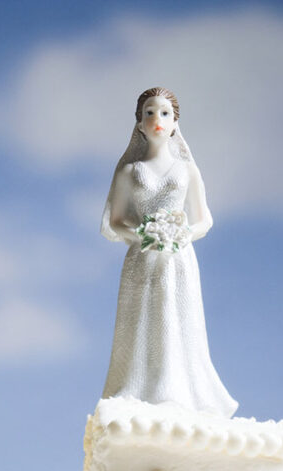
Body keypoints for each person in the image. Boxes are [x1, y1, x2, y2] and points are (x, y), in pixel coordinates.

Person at [100, 87, 237, 417]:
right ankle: (139, 392)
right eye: (149, 112)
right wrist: (144, 234)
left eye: (164, 113)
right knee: (143, 322)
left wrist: (181, 234)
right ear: (139, 123)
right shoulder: (128, 172)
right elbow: (115, 221)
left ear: (175, 123)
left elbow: (204, 219)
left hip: (178, 259)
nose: (156, 119)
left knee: (177, 321)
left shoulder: (186, 170)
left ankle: (178, 393)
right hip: (142, 259)